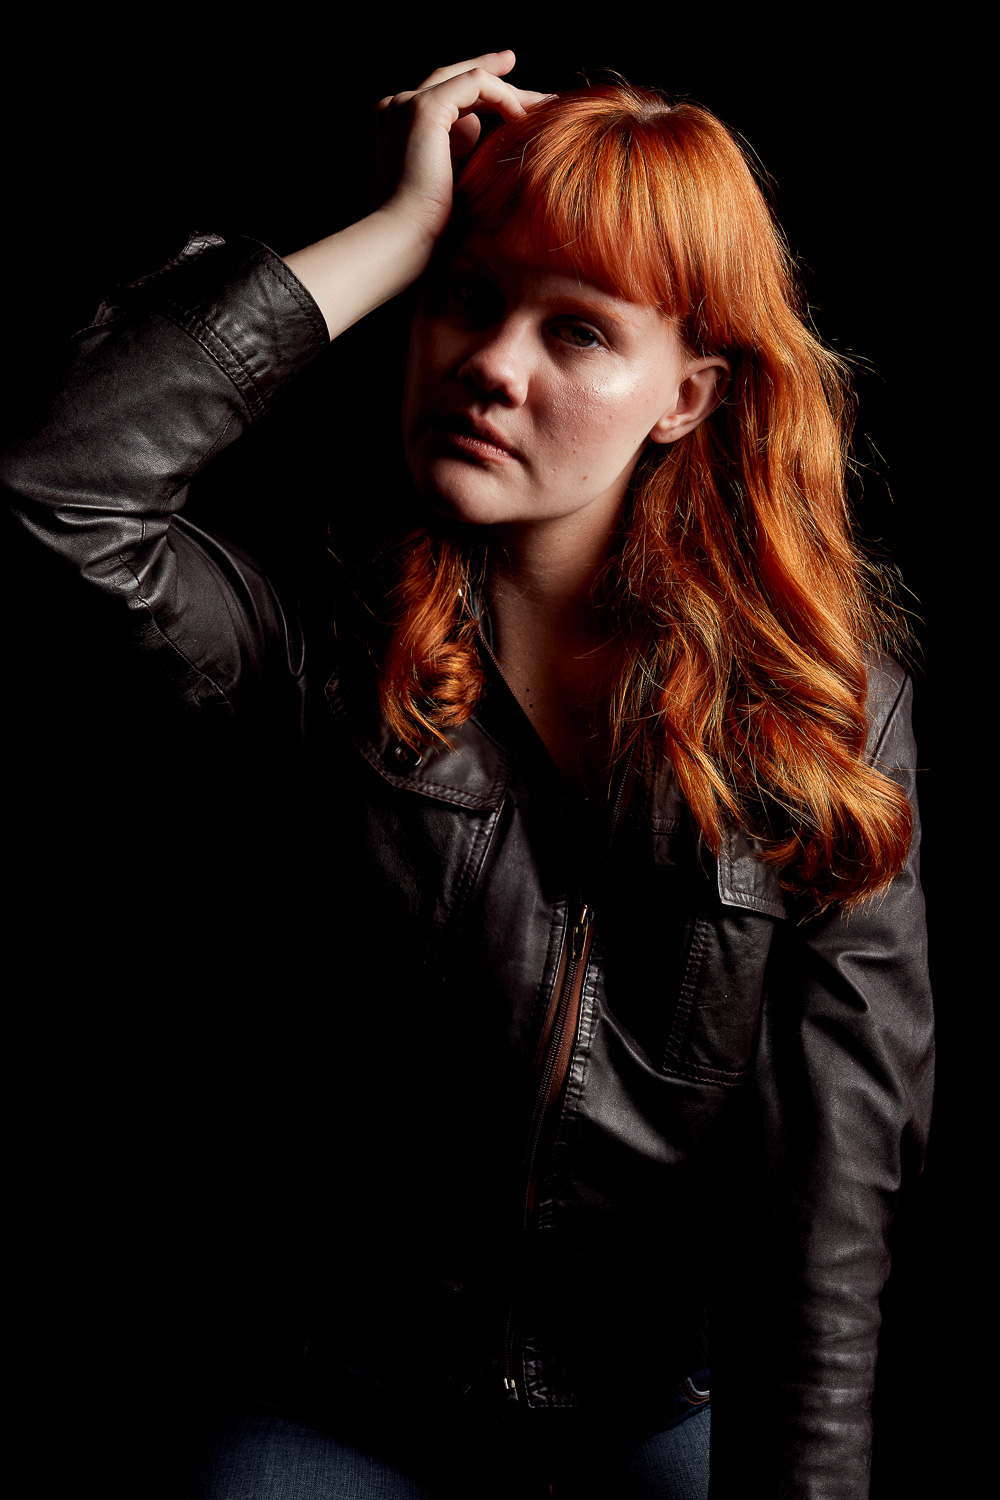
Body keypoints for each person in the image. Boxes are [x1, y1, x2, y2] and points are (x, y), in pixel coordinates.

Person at [3, 51, 933, 1500]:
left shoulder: (820, 718)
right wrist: (396, 229)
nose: (493, 365)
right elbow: (62, 493)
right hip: (336, 1403)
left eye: (579, 332)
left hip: (649, 1418)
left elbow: (828, 1204)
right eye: (465, 297)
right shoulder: (313, 643)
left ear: (687, 397)